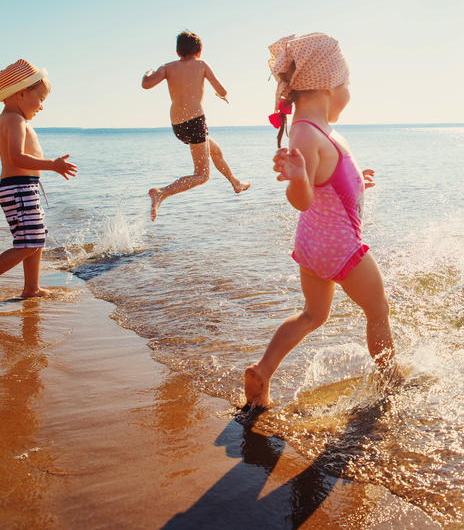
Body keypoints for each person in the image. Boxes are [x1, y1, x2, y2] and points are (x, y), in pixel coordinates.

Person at [244, 33, 396, 408]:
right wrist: (297, 177)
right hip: (339, 247)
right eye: (348, 85)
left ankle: (263, 371)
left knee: (313, 314)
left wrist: (360, 180)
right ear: (329, 85)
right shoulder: (305, 133)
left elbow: (330, 181)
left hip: (312, 246)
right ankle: (391, 384)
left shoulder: (317, 129)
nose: (349, 93)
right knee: (378, 310)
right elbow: (303, 198)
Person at [142, 31, 250, 221]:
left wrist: (149, 71)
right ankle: (161, 193)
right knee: (202, 175)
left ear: (178, 52)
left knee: (215, 150)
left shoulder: (167, 67)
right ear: (199, 51)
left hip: (177, 126)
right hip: (195, 122)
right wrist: (220, 95)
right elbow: (223, 90)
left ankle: (235, 182)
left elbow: (146, 84)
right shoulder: (202, 64)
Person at [0, 60, 77, 297]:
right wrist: (52, 165)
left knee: (36, 237)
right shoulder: (15, 119)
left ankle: (31, 288)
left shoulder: (11, 118)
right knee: (28, 243)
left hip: (23, 188)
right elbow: (16, 158)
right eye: (41, 99)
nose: (42, 106)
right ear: (22, 93)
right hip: (19, 189)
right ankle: (30, 287)